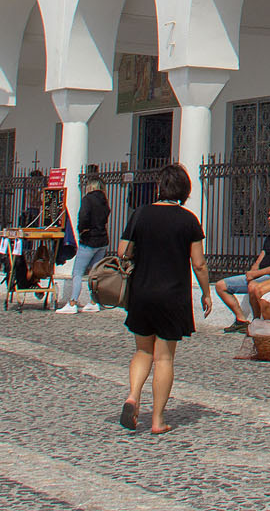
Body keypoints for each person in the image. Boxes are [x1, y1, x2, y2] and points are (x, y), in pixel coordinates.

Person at [116, 163, 211, 435]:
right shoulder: (188, 219)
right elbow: (199, 263)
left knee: (143, 350)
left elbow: (123, 251)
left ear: (160, 187)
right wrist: (205, 292)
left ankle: (133, 396)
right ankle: (157, 420)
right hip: (172, 294)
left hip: (142, 291)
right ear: (185, 190)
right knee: (165, 358)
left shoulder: (140, 214)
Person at [215, 202, 270, 332]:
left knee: (253, 286)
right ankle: (241, 319)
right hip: (258, 275)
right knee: (221, 286)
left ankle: (256, 321)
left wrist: (256, 274)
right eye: (268, 215)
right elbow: (261, 257)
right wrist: (253, 271)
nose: (269, 218)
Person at [58, 167, 110, 314]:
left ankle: (73, 302)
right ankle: (94, 301)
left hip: (89, 240)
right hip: (102, 240)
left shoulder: (88, 199)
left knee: (77, 272)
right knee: (95, 273)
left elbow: (83, 218)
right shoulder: (104, 201)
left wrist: (82, 231)